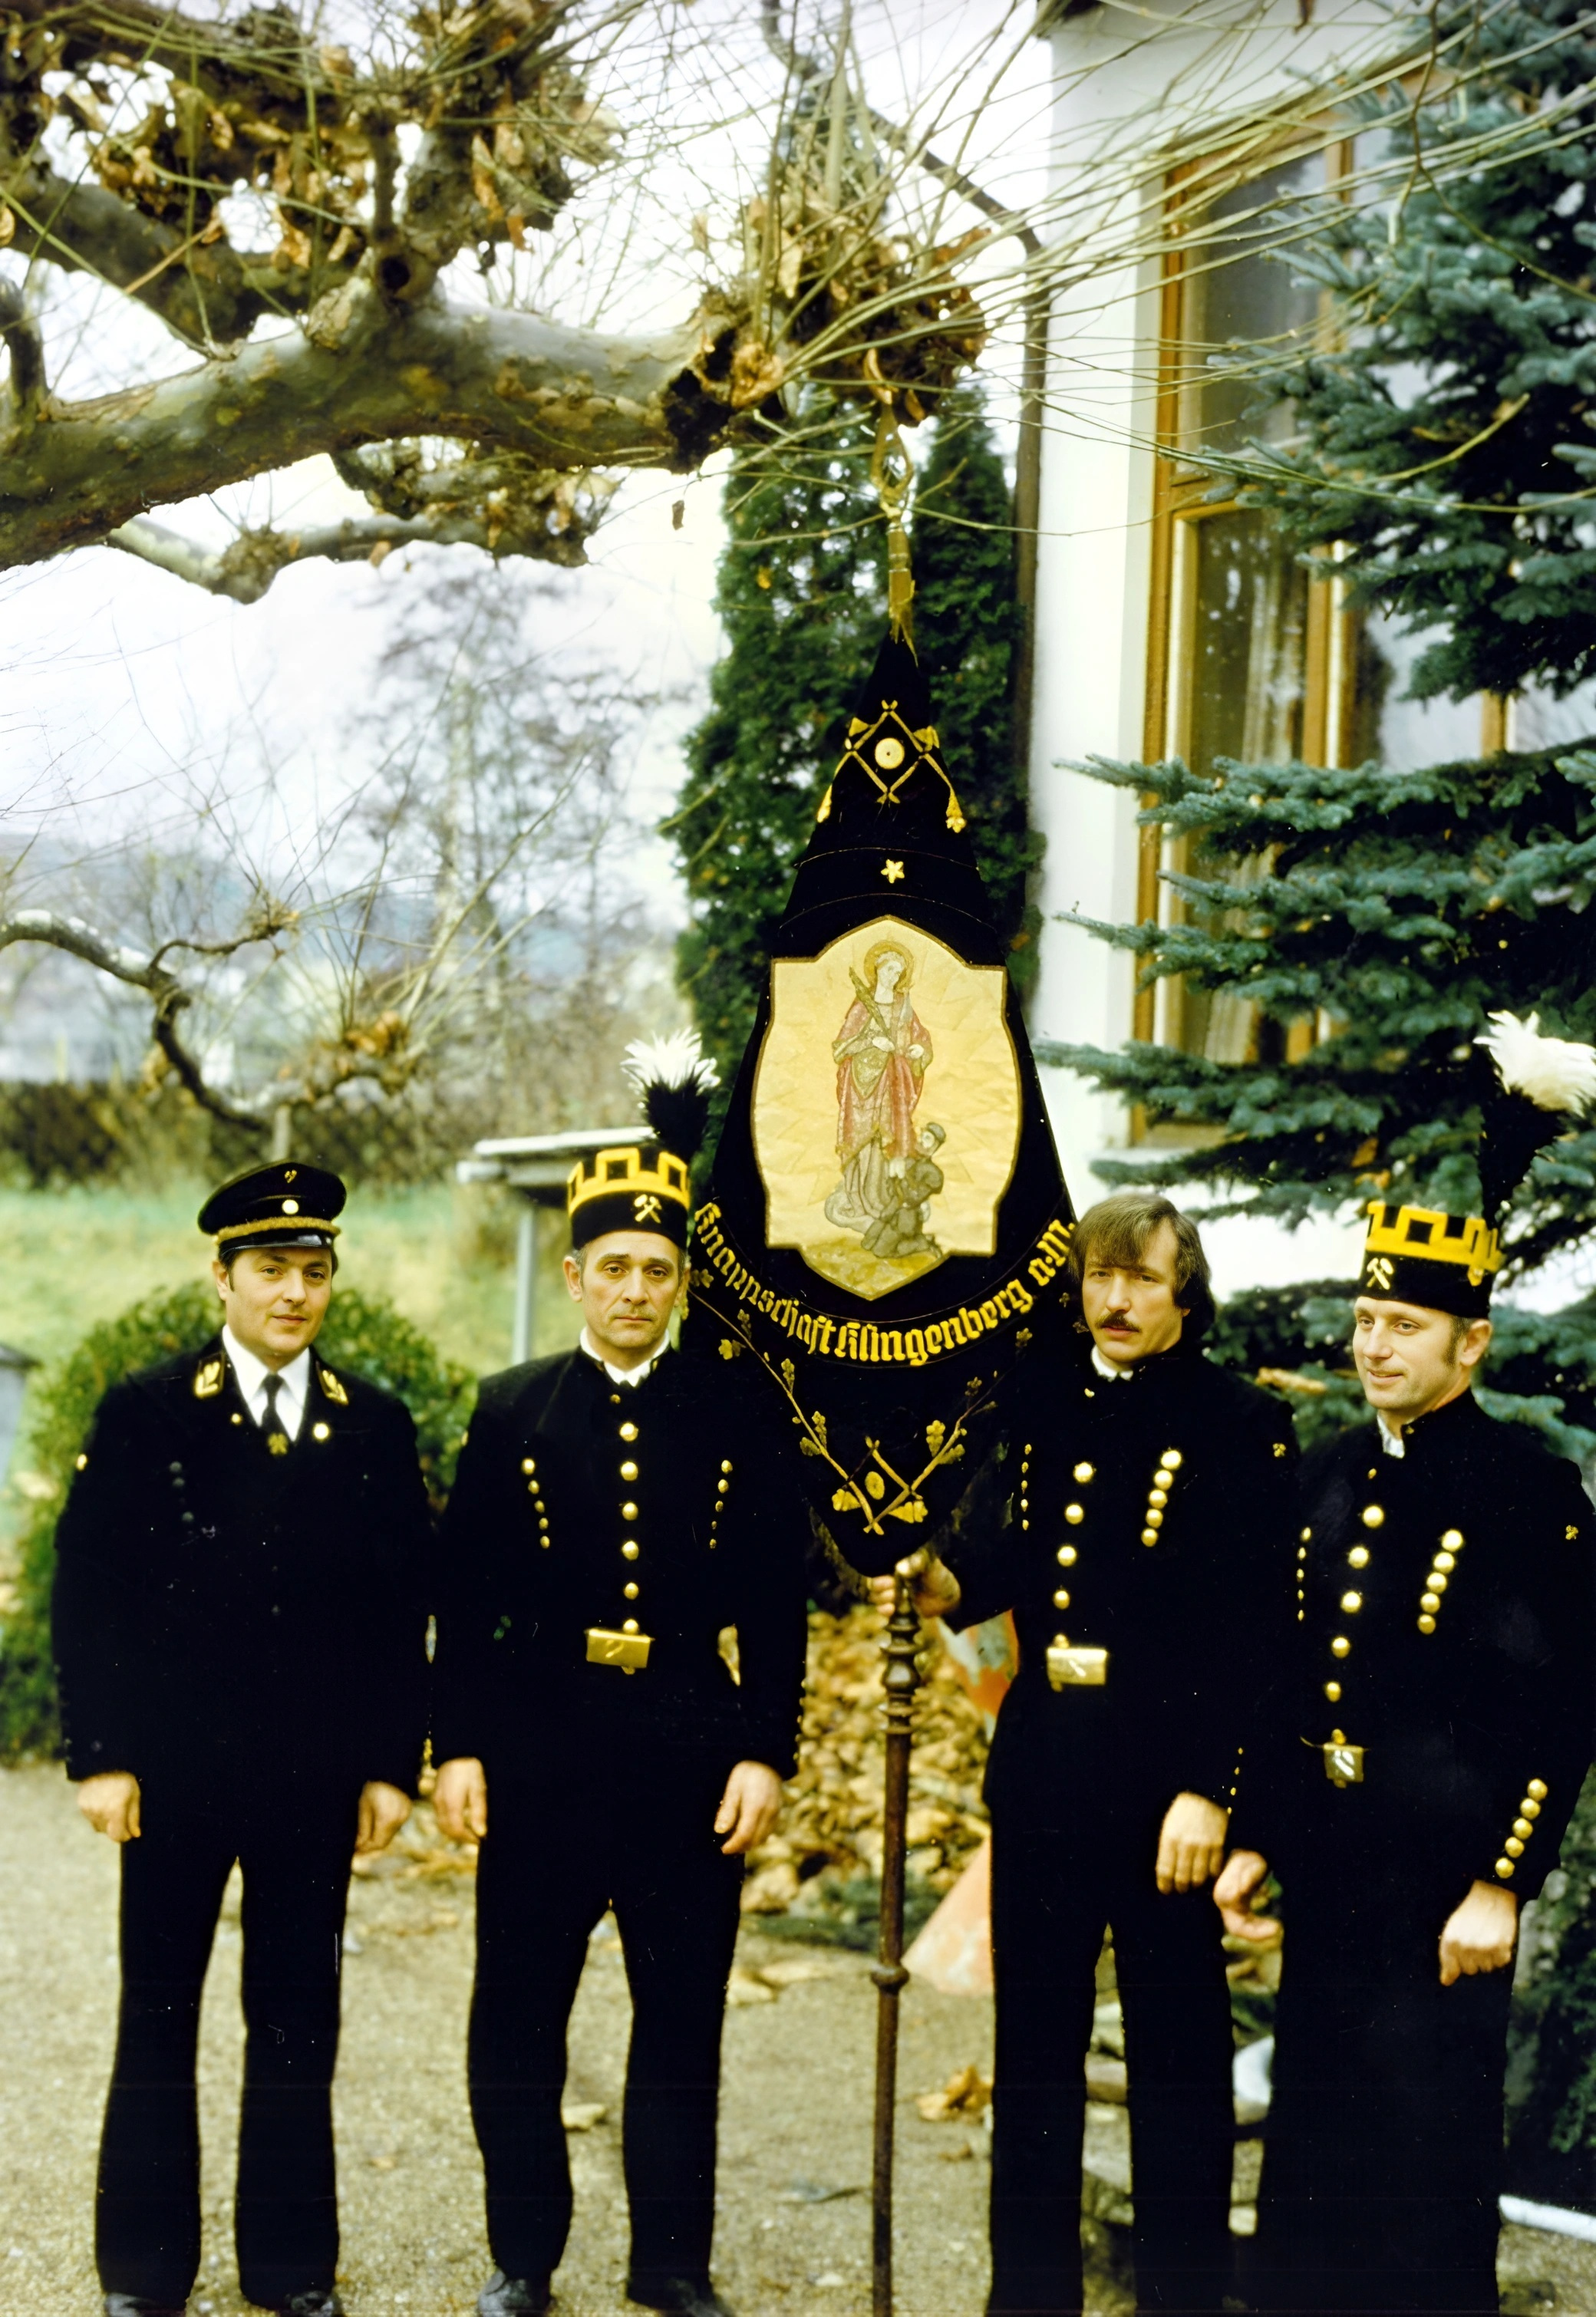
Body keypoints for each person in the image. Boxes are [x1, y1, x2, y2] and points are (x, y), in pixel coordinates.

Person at [431, 1036, 810, 2317]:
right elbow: (464, 1601)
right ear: (576, 1274)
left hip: (688, 1754)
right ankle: (523, 2258)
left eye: (656, 1269)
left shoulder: (737, 1414)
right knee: (516, 2020)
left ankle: (671, 2264)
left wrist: (765, 1749)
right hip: (539, 1752)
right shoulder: (513, 1410)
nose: (634, 1290)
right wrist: (458, 1746)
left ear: (681, 1281)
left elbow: (773, 1605)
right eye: (613, 1268)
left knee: (681, 2021)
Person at [881, 1193, 1297, 2317]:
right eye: (1100, 1278)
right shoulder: (1042, 1400)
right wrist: (941, 1582)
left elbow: (1259, 1635)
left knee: (1178, 2071)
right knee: (1032, 2062)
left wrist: (1213, 1790)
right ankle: (1028, 2302)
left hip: (1167, 1796)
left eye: (1142, 1279)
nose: (1116, 1300)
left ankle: (1179, 2302)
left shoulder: (1240, 1423)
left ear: (1185, 1295)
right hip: (1048, 1774)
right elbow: (999, 1562)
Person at [51, 1160, 433, 2317]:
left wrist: (390, 1765)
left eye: (314, 1272)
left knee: (298, 2018)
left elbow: (398, 1608)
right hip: (174, 1773)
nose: (294, 1294)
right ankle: (143, 2272)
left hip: (313, 1778)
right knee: (158, 2013)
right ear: (221, 1277)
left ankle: (290, 2269)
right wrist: (102, 1755)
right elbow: (92, 1591)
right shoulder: (149, 1409)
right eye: (271, 1270)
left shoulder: (371, 1423)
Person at [1218, 1154, 1596, 2312]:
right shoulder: (1327, 1473)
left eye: (1406, 1327)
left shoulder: (1526, 1492)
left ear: (1470, 1344)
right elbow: (1289, 1680)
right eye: (1366, 1321)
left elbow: (1563, 1707)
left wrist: (1503, 1883)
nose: (1375, 1347)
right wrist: (1254, 1835)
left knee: (1426, 2153)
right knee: (1315, 2139)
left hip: (1444, 1883)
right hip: (1332, 1860)